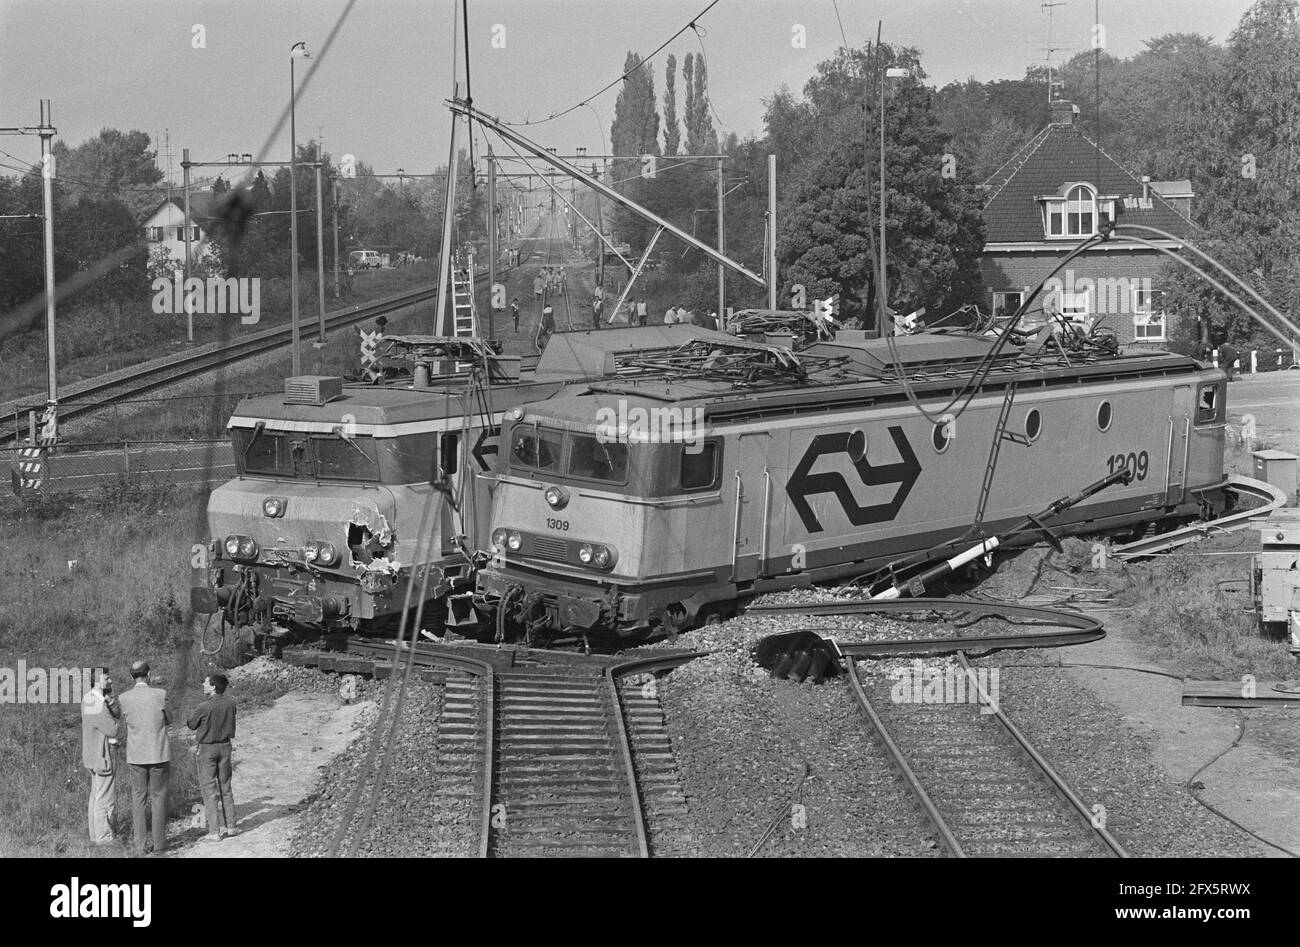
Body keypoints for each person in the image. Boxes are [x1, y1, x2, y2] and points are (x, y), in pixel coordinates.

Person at [117, 660, 171, 854]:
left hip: (136, 754)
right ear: (149, 674)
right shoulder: (160, 694)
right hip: (158, 753)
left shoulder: (124, 698)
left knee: (138, 798)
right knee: (158, 798)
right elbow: (169, 719)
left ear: (131, 676)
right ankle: (159, 845)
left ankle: (140, 845)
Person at [186, 672, 238, 841]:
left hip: (207, 749)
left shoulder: (204, 707)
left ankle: (214, 831)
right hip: (225, 746)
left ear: (214, 687)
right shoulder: (231, 703)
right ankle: (231, 826)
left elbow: (192, 724)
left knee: (209, 789)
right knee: (226, 787)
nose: (203, 684)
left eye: (206, 682)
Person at [81, 672, 121, 846]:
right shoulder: (97, 704)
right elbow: (113, 729)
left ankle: (95, 836)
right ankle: (104, 838)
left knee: (96, 796)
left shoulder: (89, 698)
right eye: (107, 678)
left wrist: (110, 701)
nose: (110, 680)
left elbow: (116, 714)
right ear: (97, 681)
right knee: (104, 798)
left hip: (91, 754)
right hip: (102, 755)